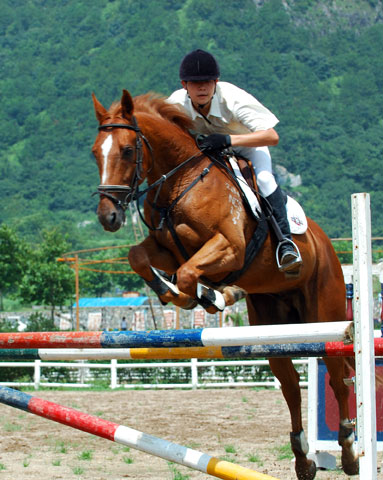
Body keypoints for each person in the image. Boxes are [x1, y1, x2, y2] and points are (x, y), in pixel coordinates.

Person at [167, 49, 302, 273]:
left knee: (265, 180)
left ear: (216, 82)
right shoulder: (175, 103)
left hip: (248, 145)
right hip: (209, 150)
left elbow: (271, 136)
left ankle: (285, 244)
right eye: (195, 83)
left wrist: (228, 139)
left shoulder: (233, 99)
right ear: (184, 85)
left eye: (207, 82)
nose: (202, 88)